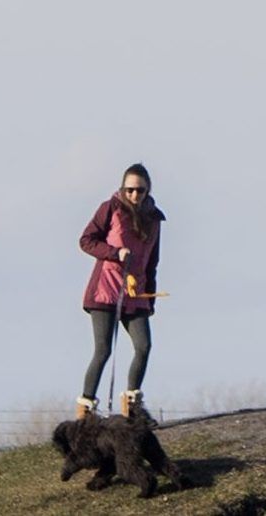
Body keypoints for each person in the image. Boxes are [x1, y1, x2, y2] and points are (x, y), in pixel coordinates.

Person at [78, 163, 166, 418]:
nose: (134, 196)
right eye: (129, 190)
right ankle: (85, 409)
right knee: (103, 349)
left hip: (135, 293)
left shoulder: (155, 220)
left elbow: (152, 262)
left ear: (147, 189)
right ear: (122, 188)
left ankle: (132, 406)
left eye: (139, 190)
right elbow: (86, 241)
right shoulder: (110, 209)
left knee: (144, 345)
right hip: (105, 290)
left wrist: (150, 297)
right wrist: (115, 254)